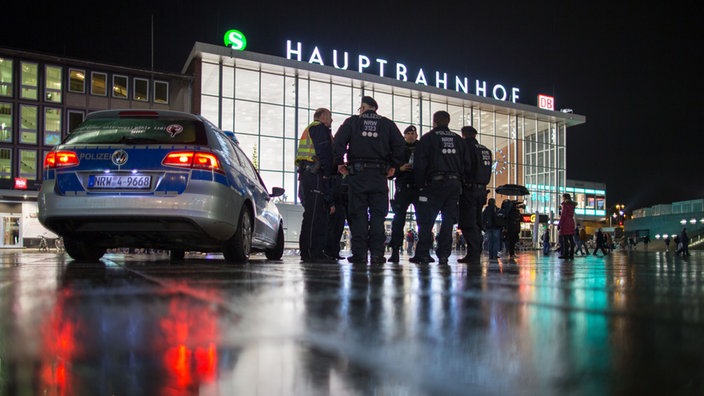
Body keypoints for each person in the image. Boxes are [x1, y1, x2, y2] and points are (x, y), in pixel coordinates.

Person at [333, 96, 405, 265]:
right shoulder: (387, 124)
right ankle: (378, 255)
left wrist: (339, 163)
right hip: (379, 176)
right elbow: (400, 146)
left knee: (358, 215)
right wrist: (393, 166)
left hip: (357, 175)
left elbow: (338, 142)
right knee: (378, 216)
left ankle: (360, 255)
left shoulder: (353, 122)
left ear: (364, 107)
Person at [410, 110, 472, 265]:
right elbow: (467, 165)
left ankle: (423, 253)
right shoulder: (459, 140)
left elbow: (420, 163)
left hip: (434, 183)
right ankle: (444, 255)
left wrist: (420, 184)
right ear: (448, 122)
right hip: (454, 184)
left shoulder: (428, 138)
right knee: (448, 221)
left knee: (427, 220)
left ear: (434, 122)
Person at [296, 108, 336, 262]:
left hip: (308, 175)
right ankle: (312, 252)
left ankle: (311, 251)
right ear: (323, 117)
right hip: (315, 175)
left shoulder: (311, 129)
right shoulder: (320, 128)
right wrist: (326, 173)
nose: (331, 120)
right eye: (330, 117)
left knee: (313, 215)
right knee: (314, 216)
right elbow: (324, 152)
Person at [457, 126, 492, 263]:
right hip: (482, 190)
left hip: (469, 189)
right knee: (477, 222)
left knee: (467, 221)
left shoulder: (466, 147)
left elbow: (465, 167)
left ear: (464, 135)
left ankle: (473, 252)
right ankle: (476, 251)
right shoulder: (486, 150)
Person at [387, 125, 419, 262]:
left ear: (416, 135)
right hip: (403, 187)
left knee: (423, 220)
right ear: (404, 135)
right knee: (398, 220)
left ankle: (422, 252)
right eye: (408, 133)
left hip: (418, 187)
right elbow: (390, 172)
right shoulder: (399, 148)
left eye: (413, 133)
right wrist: (400, 169)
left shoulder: (422, 148)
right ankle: (395, 250)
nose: (411, 135)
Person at [324, 172, 348, 260]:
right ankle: (330, 252)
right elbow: (330, 191)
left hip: (340, 206)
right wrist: (331, 204)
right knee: (332, 229)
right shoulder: (334, 177)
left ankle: (334, 252)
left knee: (337, 230)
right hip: (335, 205)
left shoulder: (340, 178)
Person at [557, 193, 576, 259]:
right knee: (571, 239)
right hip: (571, 222)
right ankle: (571, 254)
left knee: (565, 240)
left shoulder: (565, 205)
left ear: (564, 198)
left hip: (566, 223)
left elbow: (563, 215)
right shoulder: (572, 205)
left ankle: (565, 254)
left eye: (563, 197)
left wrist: (559, 224)